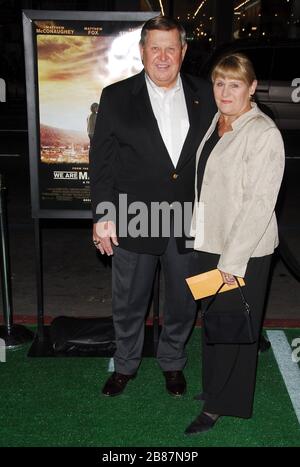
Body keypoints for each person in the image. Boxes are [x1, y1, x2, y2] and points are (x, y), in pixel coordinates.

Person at [89, 16, 215, 397]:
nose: (163, 56)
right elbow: (103, 164)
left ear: (184, 52)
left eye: (171, 48)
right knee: (129, 300)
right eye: (155, 47)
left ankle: (173, 361)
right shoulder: (116, 96)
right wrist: (103, 216)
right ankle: (125, 364)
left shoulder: (206, 93)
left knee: (183, 298)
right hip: (134, 217)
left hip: (189, 218)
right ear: (142, 50)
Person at [185, 53, 285, 434]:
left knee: (234, 328)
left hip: (242, 250)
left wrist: (232, 260)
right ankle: (214, 388)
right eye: (219, 83)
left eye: (235, 84)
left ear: (252, 88)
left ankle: (223, 404)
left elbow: (260, 203)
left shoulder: (263, 133)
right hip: (210, 241)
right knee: (213, 320)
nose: (225, 92)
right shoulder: (218, 122)